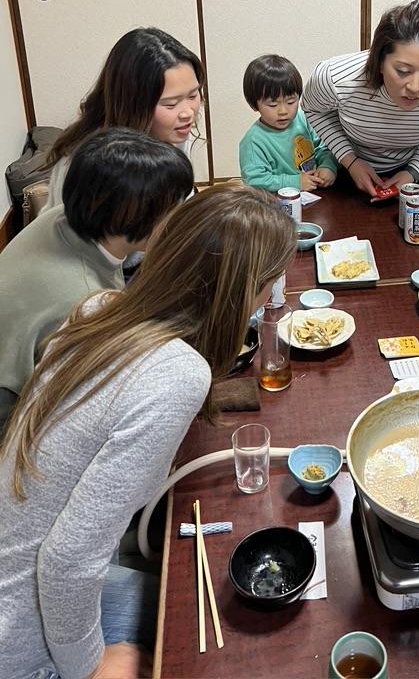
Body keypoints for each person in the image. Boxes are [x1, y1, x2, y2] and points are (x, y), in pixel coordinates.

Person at [0, 184, 296, 679]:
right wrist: (90, 667)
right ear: (245, 289)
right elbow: (68, 560)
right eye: (271, 281)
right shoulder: (178, 372)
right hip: (22, 638)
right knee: (219, 629)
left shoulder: (98, 309)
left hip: (24, 578)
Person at [0, 128, 194, 433]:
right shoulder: (84, 300)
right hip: (15, 416)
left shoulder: (67, 217)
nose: (178, 220)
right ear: (132, 215)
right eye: (171, 210)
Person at [303, 0, 419, 197]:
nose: (415, 87)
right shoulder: (335, 78)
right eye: (402, 71)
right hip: (347, 167)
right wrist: (351, 161)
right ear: (380, 60)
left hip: (415, 167)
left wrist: (413, 171)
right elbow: (313, 109)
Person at [44, 27, 203, 209]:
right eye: (170, 104)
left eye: (193, 95)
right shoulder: (93, 167)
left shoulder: (173, 131)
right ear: (132, 104)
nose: (188, 113)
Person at [239, 54, 336, 193]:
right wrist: (295, 182)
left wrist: (327, 166)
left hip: (316, 194)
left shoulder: (305, 119)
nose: (283, 111)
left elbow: (325, 147)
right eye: (273, 105)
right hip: (277, 204)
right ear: (254, 104)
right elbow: (255, 181)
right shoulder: (253, 141)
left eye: (291, 102)